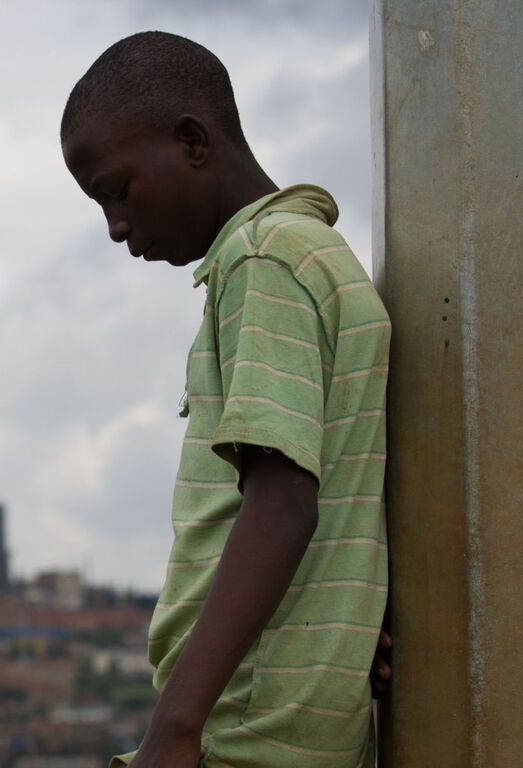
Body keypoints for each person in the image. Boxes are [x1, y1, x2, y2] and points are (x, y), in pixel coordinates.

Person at [60, 31, 390, 767]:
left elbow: (283, 505)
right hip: (283, 711)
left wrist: (176, 726)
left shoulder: (263, 261)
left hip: (242, 720)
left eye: (117, 190)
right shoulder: (312, 254)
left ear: (192, 143)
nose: (114, 226)